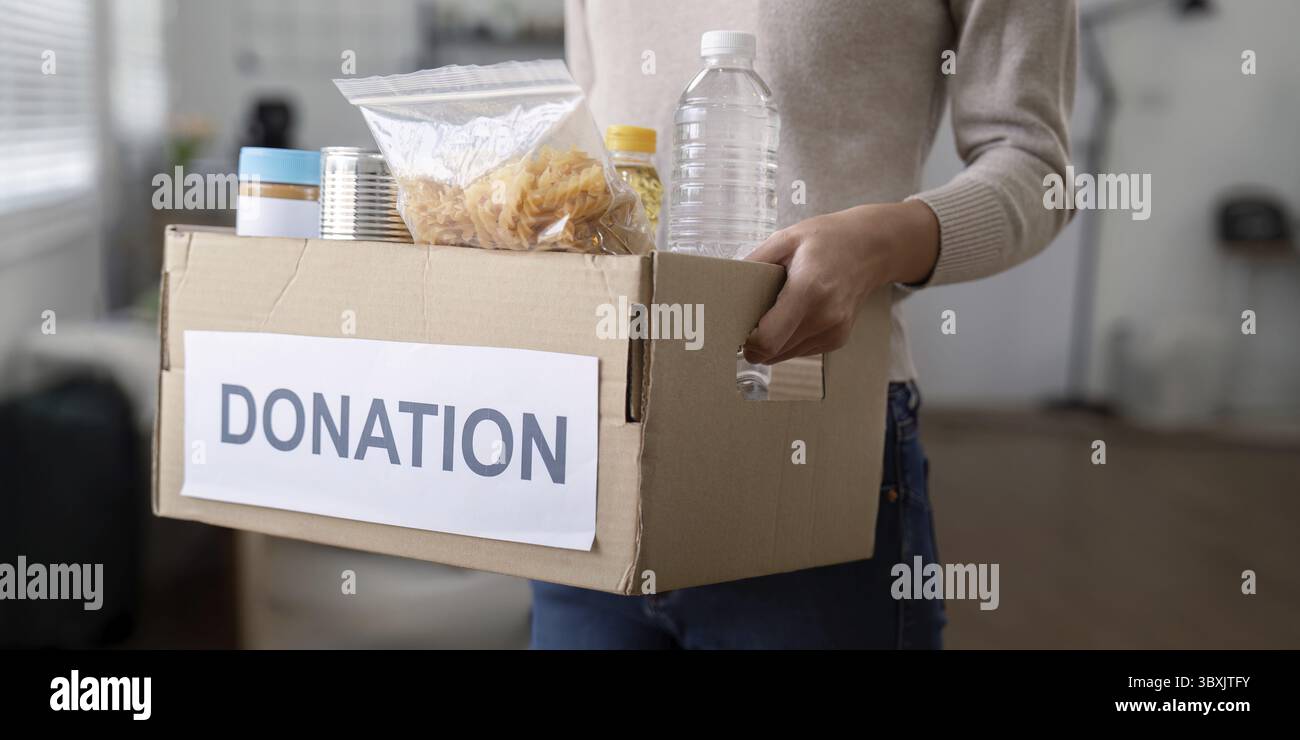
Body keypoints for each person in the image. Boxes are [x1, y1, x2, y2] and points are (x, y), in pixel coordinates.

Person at [530, 0, 1077, 649]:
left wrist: (879, 243)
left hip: (813, 435)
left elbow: (1038, 168)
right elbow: (585, 131)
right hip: (602, 446)